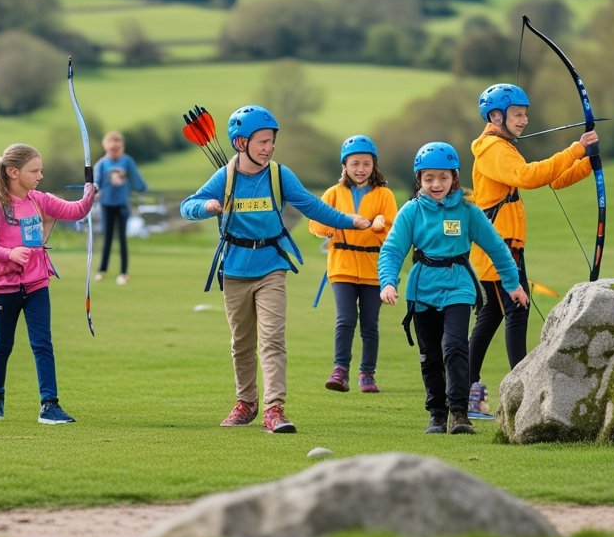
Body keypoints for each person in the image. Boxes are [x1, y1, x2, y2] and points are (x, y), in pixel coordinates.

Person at [181, 105, 372, 434]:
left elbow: (312, 206)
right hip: (236, 270)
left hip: (272, 267)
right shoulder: (224, 176)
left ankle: (274, 409)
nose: (269, 148)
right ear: (241, 143)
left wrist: (351, 222)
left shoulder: (279, 175)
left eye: (271, 141)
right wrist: (207, 206)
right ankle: (246, 403)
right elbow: (187, 206)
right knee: (241, 343)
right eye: (262, 142)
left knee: (271, 340)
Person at [378, 142, 529, 435]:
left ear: (454, 177)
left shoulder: (468, 212)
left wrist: (513, 285)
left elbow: (498, 248)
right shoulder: (411, 212)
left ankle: (459, 412)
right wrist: (388, 282)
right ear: (419, 179)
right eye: (429, 178)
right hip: (421, 290)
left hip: (458, 286)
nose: (437, 184)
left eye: (444, 177)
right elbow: (392, 250)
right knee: (431, 355)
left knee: (456, 346)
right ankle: (437, 413)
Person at [466, 83, 598, 417]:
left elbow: (552, 180)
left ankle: (466, 391)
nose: (524, 120)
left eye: (526, 114)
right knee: (516, 310)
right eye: (518, 114)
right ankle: (521, 394)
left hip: (503, 246)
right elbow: (529, 176)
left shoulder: (502, 146)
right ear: (497, 116)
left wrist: (587, 163)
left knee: (494, 315)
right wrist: (574, 150)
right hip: (499, 247)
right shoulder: (493, 149)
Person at [0, 143, 97, 424]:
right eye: (34, 170)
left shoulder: (39, 199)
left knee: (43, 343)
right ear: (14, 172)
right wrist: (9, 254)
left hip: (38, 284)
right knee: (3, 344)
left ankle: (49, 405)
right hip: (5, 288)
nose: (40, 175)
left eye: (40, 170)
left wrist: (88, 197)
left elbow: (75, 211)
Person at [308, 135, 397, 394]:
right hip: (342, 265)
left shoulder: (385, 195)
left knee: (370, 324)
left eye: (366, 164)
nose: (361, 169)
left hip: (373, 266)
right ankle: (340, 370)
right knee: (345, 319)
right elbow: (316, 224)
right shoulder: (333, 194)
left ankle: (367, 374)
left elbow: (393, 230)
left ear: (374, 166)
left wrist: (381, 225)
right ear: (344, 165)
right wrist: (340, 221)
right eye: (355, 163)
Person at [93, 130, 147, 286]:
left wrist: (141, 188)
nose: (115, 149)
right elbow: (96, 182)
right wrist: (95, 191)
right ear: (106, 147)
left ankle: (124, 272)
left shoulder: (127, 161)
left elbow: (136, 178)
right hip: (106, 204)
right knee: (108, 237)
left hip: (122, 204)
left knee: (122, 238)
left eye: (118, 145)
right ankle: (102, 270)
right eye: (112, 146)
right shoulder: (102, 164)